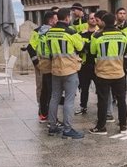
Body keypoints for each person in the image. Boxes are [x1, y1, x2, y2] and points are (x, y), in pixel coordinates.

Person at [46, 7, 84, 139]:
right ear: (68, 18)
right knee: (69, 100)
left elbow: (47, 51)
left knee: (54, 98)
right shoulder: (71, 32)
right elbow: (80, 47)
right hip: (69, 70)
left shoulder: (49, 32)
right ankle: (67, 129)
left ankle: (52, 126)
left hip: (55, 69)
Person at [89, 13, 127, 135]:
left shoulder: (97, 36)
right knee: (121, 100)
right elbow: (126, 51)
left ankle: (101, 127)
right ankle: (123, 126)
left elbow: (92, 52)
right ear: (115, 21)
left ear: (104, 23)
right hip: (119, 73)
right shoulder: (122, 35)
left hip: (103, 73)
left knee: (103, 100)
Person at [26, 10, 56, 122]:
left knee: (49, 88)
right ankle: (42, 110)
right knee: (42, 87)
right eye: (56, 18)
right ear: (51, 20)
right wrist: (36, 63)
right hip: (42, 63)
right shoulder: (37, 32)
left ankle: (46, 111)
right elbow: (30, 47)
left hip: (52, 64)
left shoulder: (54, 31)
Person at [76, 11, 99, 115]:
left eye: (95, 18)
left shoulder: (99, 33)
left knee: (99, 87)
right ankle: (83, 106)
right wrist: (85, 48)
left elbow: (96, 49)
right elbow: (78, 47)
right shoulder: (82, 33)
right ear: (88, 20)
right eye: (91, 18)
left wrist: (86, 47)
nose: (93, 20)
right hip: (84, 65)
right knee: (84, 88)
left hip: (97, 64)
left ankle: (101, 105)